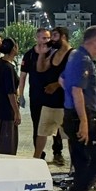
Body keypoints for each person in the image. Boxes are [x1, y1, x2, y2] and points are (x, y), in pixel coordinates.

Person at [58, 25, 96, 191]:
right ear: (95, 40)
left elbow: (62, 80)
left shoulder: (74, 56)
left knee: (81, 163)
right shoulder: (83, 59)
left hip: (72, 115)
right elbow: (77, 90)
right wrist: (84, 122)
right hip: (81, 117)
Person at [18, 28, 58, 160]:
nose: (47, 40)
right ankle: (39, 153)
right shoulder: (29, 55)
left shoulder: (54, 53)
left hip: (53, 96)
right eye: (44, 38)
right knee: (38, 126)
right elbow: (23, 76)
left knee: (56, 125)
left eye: (48, 38)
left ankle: (57, 152)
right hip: (36, 97)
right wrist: (21, 94)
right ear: (37, 38)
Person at [34, 26, 71, 165]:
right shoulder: (54, 53)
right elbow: (40, 69)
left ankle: (75, 166)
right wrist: (42, 54)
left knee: (69, 137)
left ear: (63, 37)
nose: (51, 39)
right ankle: (35, 161)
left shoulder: (72, 54)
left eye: (54, 36)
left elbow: (73, 78)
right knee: (41, 133)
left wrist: (55, 85)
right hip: (48, 102)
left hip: (64, 104)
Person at [0, 37, 21, 155]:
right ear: (14, 48)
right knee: (8, 144)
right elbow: (10, 93)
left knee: (1, 142)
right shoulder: (8, 68)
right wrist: (16, 112)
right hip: (6, 111)